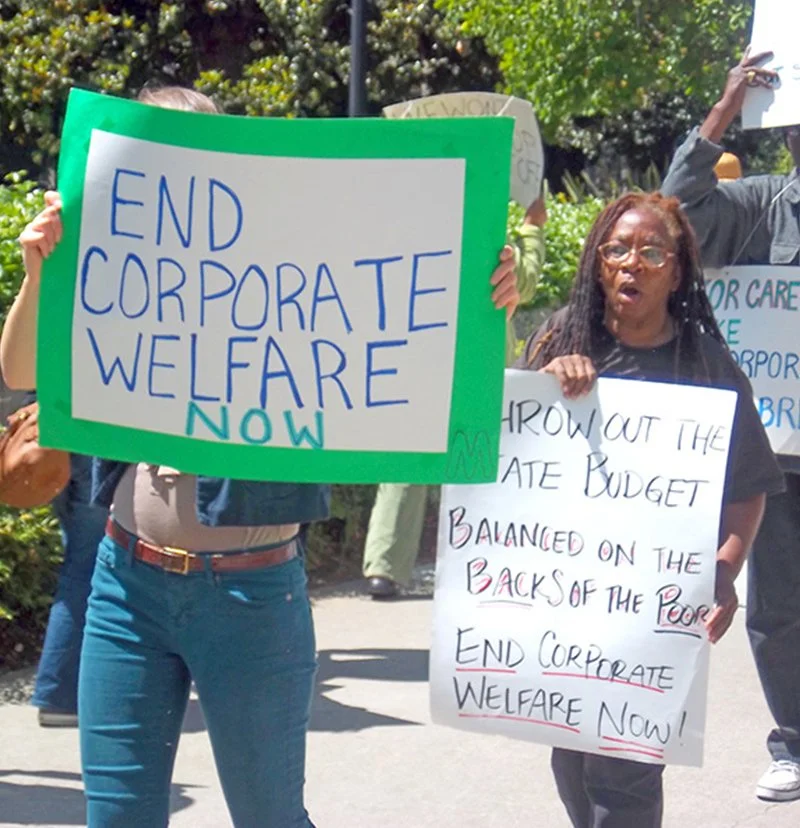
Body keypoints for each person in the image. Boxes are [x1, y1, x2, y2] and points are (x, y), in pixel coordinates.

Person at [0, 85, 522, 827]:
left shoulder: (289, 264)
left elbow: (450, 379)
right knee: (115, 818)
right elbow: (23, 370)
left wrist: (486, 305)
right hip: (126, 588)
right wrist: (37, 270)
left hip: (251, 598)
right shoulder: (112, 253)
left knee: (270, 817)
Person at [516, 191, 784, 828]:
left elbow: (747, 485)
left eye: (650, 252)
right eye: (616, 250)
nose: (630, 264)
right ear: (597, 263)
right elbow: (505, 448)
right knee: (573, 764)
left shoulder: (706, 368)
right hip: (566, 599)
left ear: (677, 270)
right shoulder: (560, 339)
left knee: (624, 778)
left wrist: (725, 567)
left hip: (654, 610)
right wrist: (546, 378)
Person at [661, 47, 800, 803]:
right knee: (780, 606)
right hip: (780, 451)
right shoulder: (761, 206)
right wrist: (722, 111)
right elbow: (675, 207)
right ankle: (795, 743)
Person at [363, 194, 547, 598]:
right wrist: (533, 229)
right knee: (479, 455)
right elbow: (527, 282)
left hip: (417, 354)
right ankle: (478, 561)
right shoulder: (495, 248)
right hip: (479, 360)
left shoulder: (412, 241)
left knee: (408, 454)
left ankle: (385, 564)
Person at [1, 200, 108, 730]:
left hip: (73, 437)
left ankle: (67, 689)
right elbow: (18, 368)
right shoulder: (75, 256)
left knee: (85, 560)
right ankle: (63, 691)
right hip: (88, 439)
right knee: (91, 562)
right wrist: (34, 272)